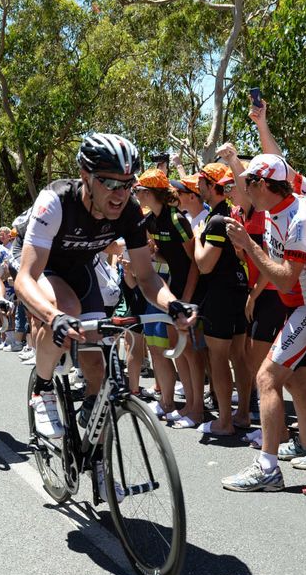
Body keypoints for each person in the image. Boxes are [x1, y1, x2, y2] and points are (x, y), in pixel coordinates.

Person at [14, 133, 195, 461]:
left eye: (128, 184)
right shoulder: (55, 201)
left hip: (80, 267)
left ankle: (96, 451)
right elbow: (25, 278)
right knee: (66, 308)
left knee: (97, 361)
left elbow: (147, 276)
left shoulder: (129, 212)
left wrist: (172, 304)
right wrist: (53, 318)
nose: (120, 193)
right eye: (110, 183)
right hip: (40, 262)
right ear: (86, 177)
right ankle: (42, 388)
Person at [221, 154, 306, 492]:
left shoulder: (299, 218)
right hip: (295, 305)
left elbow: (285, 278)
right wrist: (254, 291)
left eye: (249, 182)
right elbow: (275, 266)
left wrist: (248, 246)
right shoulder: (272, 212)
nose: (243, 188)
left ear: (266, 185)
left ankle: (267, 467)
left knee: (266, 377)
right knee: (296, 381)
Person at [134, 168, 205, 423]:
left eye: (139, 190)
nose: (136, 194)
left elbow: (194, 261)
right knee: (180, 349)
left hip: (190, 289)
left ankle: (198, 410)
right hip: (174, 289)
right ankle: (187, 405)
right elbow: (167, 255)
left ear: (151, 192)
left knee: (192, 354)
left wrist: (185, 298)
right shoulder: (151, 220)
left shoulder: (176, 218)